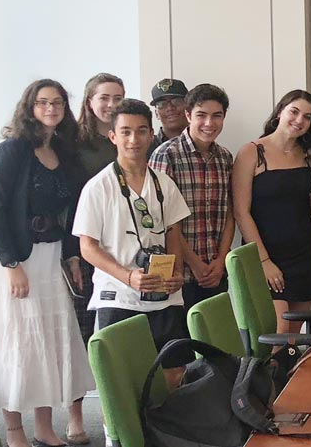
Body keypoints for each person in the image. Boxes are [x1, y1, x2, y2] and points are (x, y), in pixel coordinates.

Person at [0, 80, 96, 447]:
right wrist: (12, 264)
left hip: (49, 257)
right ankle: (15, 430)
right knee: (15, 343)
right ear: (30, 107)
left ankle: (44, 427)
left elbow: (69, 214)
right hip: (13, 259)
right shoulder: (12, 150)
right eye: (43, 102)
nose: (51, 108)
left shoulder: (62, 151)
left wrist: (72, 256)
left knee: (47, 343)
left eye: (58, 102)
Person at [72, 98, 191, 388]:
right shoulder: (98, 187)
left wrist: (175, 272)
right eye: (125, 131)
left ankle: (166, 431)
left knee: (174, 372)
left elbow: (174, 233)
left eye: (141, 131)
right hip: (120, 295)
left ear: (151, 134)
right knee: (121, 379)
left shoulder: (164, 183)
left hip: (164, 294)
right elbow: (87, 247)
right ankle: (121, 434)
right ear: (113, 136)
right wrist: (127, 276)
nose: (133, 139)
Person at [234, 90, 311, 332]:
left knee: (294, 336)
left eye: (307, 117)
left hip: (305, 252)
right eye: (294, 112)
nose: (299, 120)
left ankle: (291, 371)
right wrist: (264, 261)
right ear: (280, 112)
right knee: (278, 332)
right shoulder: (252, 152)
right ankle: (270, 371)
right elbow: (241, 212)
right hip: (267, 255)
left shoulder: (307, 155)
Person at [68, 71, 125, 441]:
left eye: (118, 97)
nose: (111, 104)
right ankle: (75, 416)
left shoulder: (122, 137)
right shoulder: (71, 143)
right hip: (80, 246)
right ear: (90, 100)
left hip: (117, 248)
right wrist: (72, 254)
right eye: (104, 97)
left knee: (110, 335)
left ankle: (115, 411)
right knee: (77, 333)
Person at [149, 84, 234, 311]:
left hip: (216, 271)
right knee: (181, 344)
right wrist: (195, 263)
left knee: (214, 342)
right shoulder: (165, 155)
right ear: (188, 115)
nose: (209, 123)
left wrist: (221, 261)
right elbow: (162, 220)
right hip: (179, 275)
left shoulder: (225, 158)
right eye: (201, 115)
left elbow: (229, 213)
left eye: (217, 116)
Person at [149, 78, 189, 153]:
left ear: (188, 107)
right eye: (162, 104)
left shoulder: (201, 143)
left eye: (176, 101)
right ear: (156, 113)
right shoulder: (147, 147)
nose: (170, 108)